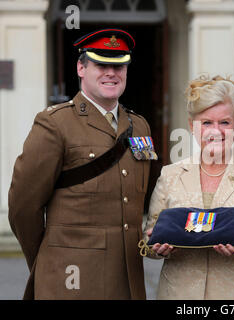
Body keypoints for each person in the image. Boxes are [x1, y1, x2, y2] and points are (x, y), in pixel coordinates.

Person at [8, 29, 155, 299]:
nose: (112, 72)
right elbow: (23, 206)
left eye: (119, 65)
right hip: (72, 280)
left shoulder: (140, 126)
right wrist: (48, 257)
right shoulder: (55, 123)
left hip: (128, 279)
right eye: (101, 64)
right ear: (81, 68)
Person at [143, 75, 234, 300]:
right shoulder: (170, 175)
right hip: (180, 296)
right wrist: (158, 247)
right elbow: (149, 240)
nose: (216, 132)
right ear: (192, 126)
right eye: (207, 122)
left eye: (225, 122)